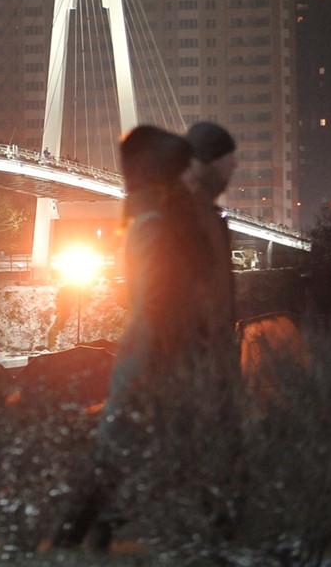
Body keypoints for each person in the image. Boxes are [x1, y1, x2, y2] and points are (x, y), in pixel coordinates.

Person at [53, 124, 212, 549]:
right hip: (162, 357)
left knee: (123, 456)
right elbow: (164, 300)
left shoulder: (152, 224)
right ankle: (80, 538)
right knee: (142, 457)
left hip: (153, 355)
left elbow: (154, 300)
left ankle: (80, 539)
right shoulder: (163, 225)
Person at [184, 121, 239, 365]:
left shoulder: (213, 217)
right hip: (190, 367)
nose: (235, 166)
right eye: (230, 160)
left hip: (213, 364)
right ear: (214, 162)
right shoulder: (179, 218)